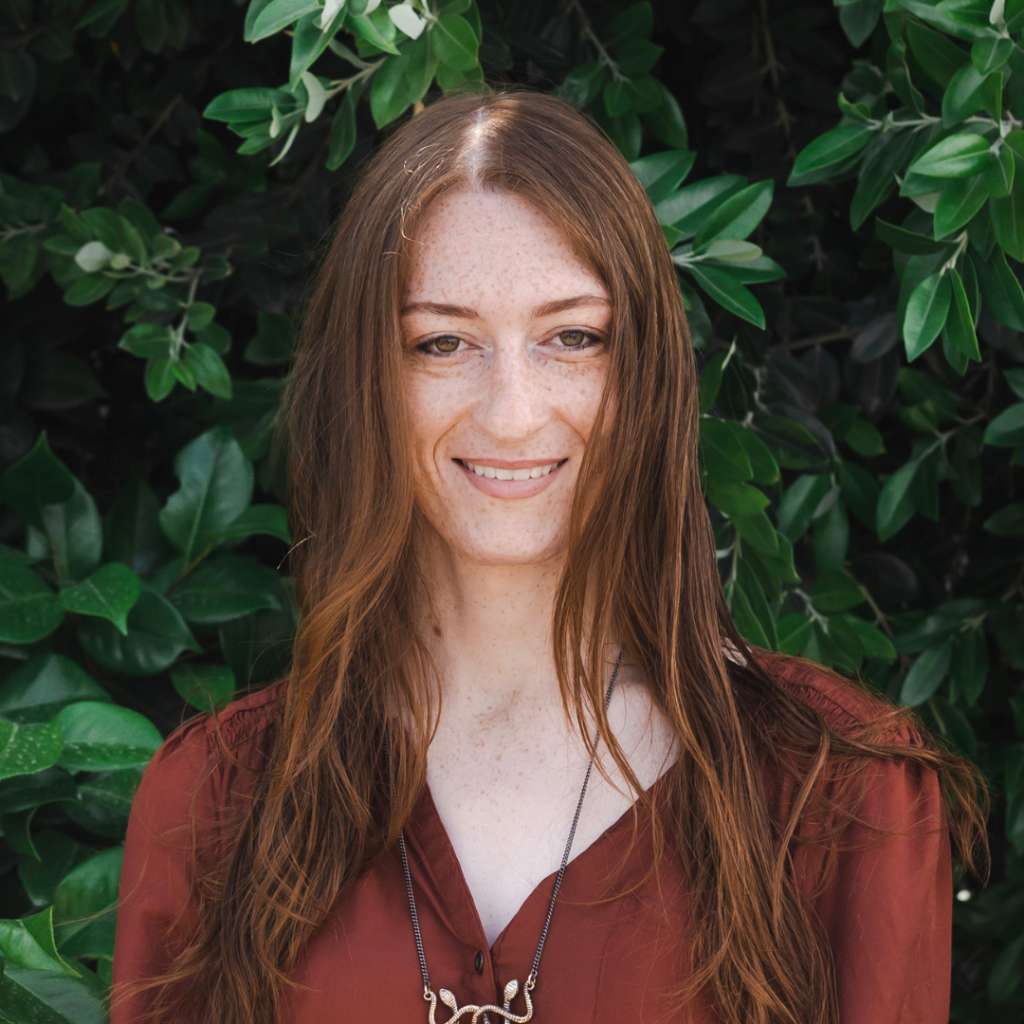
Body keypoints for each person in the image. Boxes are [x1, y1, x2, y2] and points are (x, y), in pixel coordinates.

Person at [112, 89, 987, 1024]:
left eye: (573, 338)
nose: (513, 413)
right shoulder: (219, 799)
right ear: (365, 381)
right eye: (443, 342)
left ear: (643, 372)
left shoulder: (839, 795)